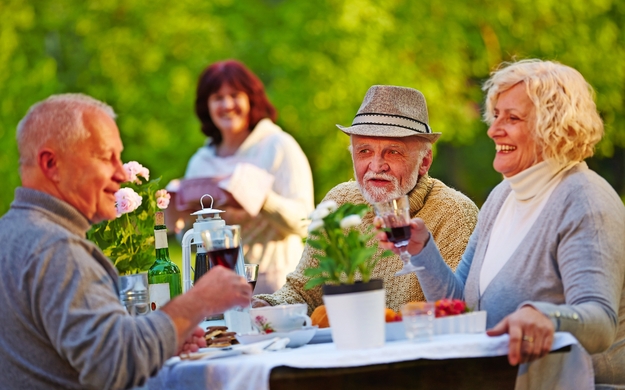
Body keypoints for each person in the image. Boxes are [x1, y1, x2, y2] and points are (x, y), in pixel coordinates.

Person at [382, 60, 625, 386]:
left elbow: (600, 322)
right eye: (496, 115)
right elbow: (464, 308)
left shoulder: (584, 199)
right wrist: (421, 250)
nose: (494, 129)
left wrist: (545, 317)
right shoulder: (502, 196)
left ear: (555, 126)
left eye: (512, 118)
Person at [0, 94, 252, 389]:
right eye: (107, 157)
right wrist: (198, 301)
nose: (121, 174)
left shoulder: (11, 234)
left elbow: (76, 351)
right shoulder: (57, 249)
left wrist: (162, 337)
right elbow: (115, 364)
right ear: (51, 163)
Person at [253, 85, 479, 313]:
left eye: (393, 152)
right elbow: (304, 291)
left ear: (425, 161)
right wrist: (267, 305)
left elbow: (458, 309)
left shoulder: (455, 213)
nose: (376, 166)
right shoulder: (340, 200)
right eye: (364, 151)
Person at [175, 59, 314, 294]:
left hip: (279, 285)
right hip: (221, 289)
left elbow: (306, 223)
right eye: (218, 97)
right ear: (206, 106)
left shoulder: (278, 146)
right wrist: (181, 218)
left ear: (251, 99)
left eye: (235, 95)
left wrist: (261, 199)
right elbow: (187, 242)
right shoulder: (200, 162)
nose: (227, 104)